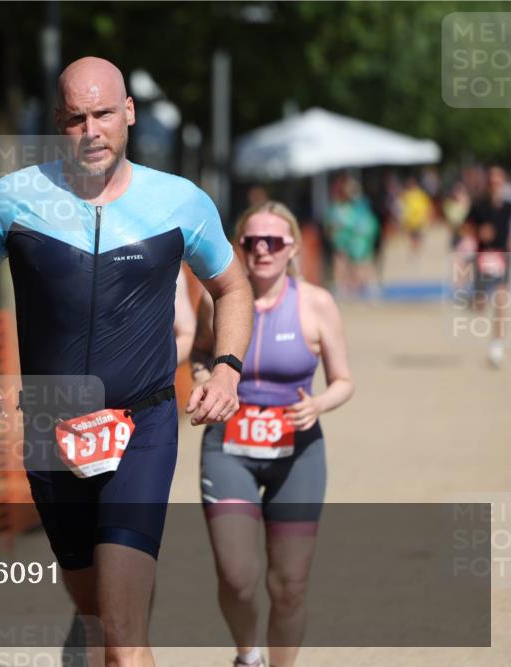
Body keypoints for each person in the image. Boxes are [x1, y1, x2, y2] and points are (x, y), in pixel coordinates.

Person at [0, 56, 254, 666]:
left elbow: (232, 288)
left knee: (122, 635)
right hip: (50, 428)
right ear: (57, 121)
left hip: (142, 425)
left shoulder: (180, 202)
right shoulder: (13, 199)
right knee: (94, 612)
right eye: (75, 118)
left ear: (129, 112)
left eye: (104, 114)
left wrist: (227, 366)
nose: (91, 132)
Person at [190, 201, 354, 667]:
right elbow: (200, 352)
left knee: (289, 585)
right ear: (239, 246)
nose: (263, 249)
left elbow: (344, 381)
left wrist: (318, 404)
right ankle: (248, 655)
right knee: (237, 575)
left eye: (274, 241)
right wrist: (204, 376)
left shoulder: (316, 303)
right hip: (229, 448)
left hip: (298, 453)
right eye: (252, 241)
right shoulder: (215, 299)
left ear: (293, 247)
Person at [464, 165, 511, 368]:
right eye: (492, 180)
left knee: (501, 302)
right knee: (480, 304)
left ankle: (496, 347)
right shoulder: (478, 206)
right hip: (482, 258)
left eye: (498, 179)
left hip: (502, 258)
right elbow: (464, 227)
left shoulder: (507, 207)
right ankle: (474, 298)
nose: (495, 183)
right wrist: (478, 233)